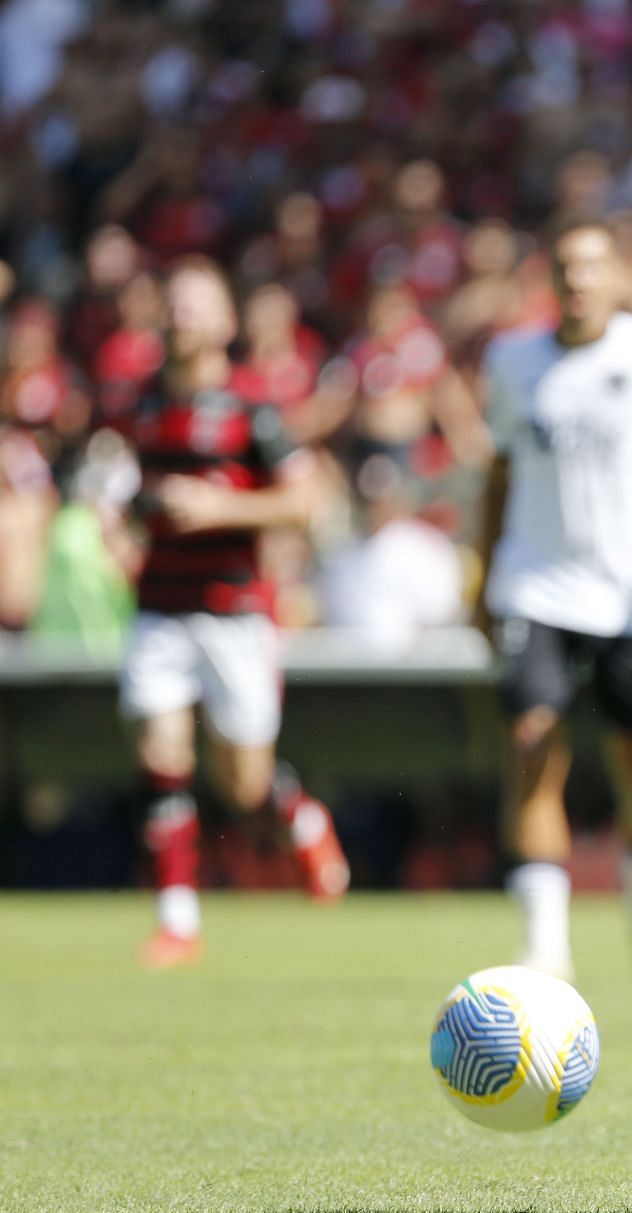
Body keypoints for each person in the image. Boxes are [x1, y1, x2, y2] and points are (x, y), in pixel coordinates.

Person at [475, 216, 632, 991]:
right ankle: (544, 944)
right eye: (565, 266)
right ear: (548, 280)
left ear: (618, 279)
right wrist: (480, 573)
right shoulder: (512, 361)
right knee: (531, 742)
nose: (578, 280)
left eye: (593, 267)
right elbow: (499, 474)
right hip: (535, 586)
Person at [115, 257, 349, 968]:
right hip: (159, 607)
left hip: (233, 610)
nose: (181, 314)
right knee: (162, 753)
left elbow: (309, 500)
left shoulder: (254, 407)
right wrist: (121, 525)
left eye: (196, 304)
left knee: (243, 781)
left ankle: (300, 817)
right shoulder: (140, 406)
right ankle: (177, 920)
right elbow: (127, 496)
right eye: (173, 302)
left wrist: (225, 506)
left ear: (223, 323)